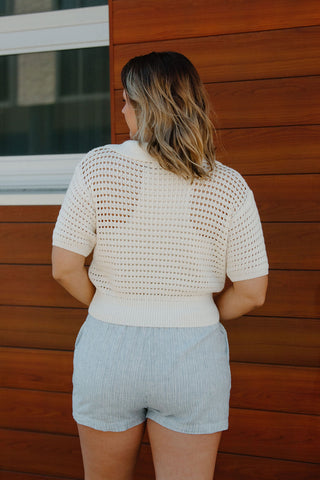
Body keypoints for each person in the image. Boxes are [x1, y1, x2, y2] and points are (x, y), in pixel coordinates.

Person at [52, 51, 268, 480]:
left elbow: (64, 267)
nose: (123, 109)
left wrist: (110, 305)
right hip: (193, 356)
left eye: (128, 100)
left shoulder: (98, 166)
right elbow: (252, 292)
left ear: (147, 105)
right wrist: (199, 314)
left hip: (107, 349)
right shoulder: (228, 184)